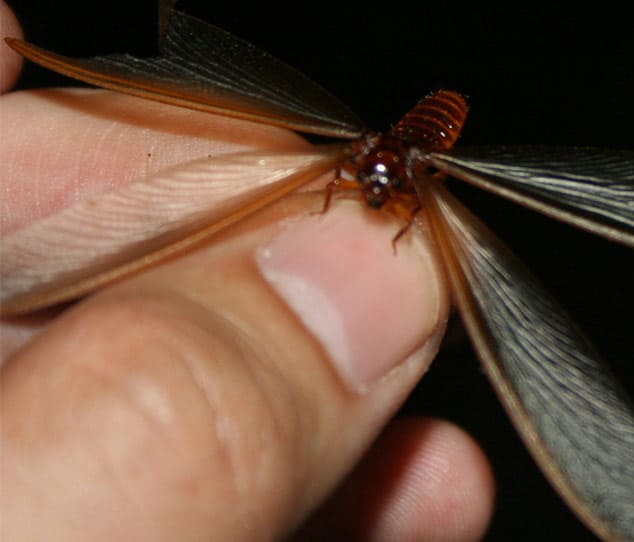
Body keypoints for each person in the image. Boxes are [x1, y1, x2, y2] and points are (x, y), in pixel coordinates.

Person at [0, 2, 494, 540]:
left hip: (435, 126)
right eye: (369, 181)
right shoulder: (362, 166)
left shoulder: (413, 183)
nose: (374, 192)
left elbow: (413, 204)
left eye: (384, 187)